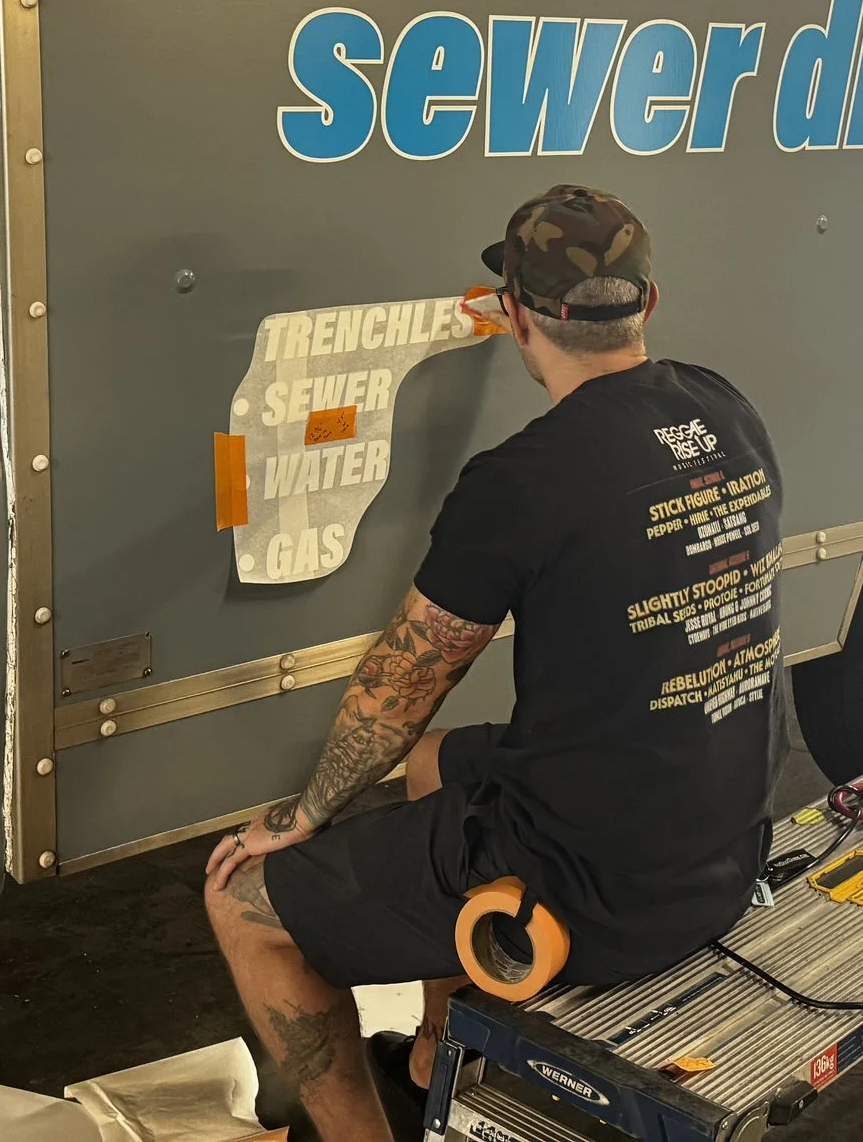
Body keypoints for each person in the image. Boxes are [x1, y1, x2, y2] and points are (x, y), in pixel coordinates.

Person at [204, 185, 785, 1142]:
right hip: (723, 845)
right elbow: (416, 735)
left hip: (598, 890)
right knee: (434, 762)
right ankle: (438, 1054)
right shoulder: (725, 408)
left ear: (516, 315)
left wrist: (301, 816)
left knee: (243, 901)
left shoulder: (522, 479)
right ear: (649, 302)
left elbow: (402, 682)